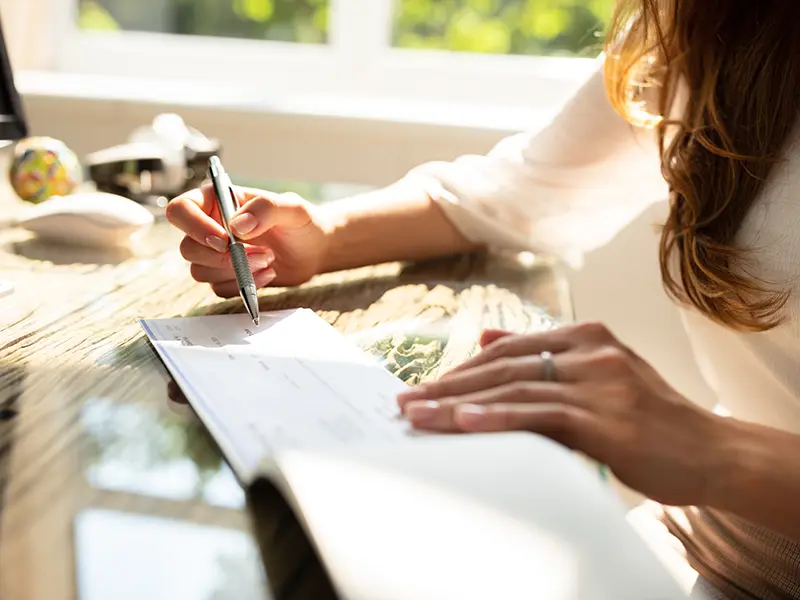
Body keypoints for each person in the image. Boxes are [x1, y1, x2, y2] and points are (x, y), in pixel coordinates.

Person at [165, 1, 800, 598]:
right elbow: (526, 193)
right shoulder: (713, 20)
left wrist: (714, 448)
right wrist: (321, 239)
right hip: (705, 541)